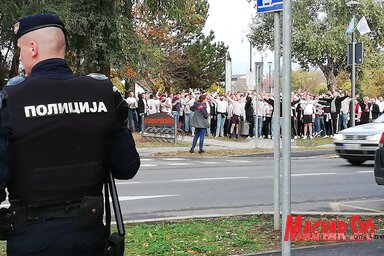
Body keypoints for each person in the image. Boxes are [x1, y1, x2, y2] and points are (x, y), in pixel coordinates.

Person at [0, 13, 140, 256]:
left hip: (30, 239)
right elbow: (127, 167)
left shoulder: (11, 100)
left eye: (21, 49)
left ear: (33, 48)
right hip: (88, 237)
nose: (20, 56)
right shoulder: (103, 94)